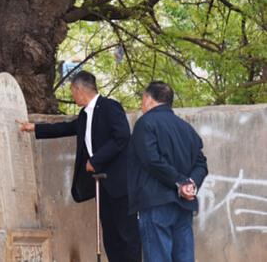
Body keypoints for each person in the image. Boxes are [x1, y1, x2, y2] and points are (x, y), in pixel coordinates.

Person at [18, 71, 141, 262]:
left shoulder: (110, 107)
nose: (72, 95)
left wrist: (95, 160)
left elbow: (122, 136)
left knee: (127, 233)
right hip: (101, 185)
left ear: (78, 89)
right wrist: (34, 128)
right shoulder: (84, 115)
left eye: (72, 91)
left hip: (120, 183)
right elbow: (65, 128)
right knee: (110, 235)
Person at [128, 81, 208, 262]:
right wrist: (190, 183)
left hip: (155, 203)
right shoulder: (186, 128)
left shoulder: (145, 123)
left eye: (142, 99)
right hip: (183, 205)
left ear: (148, 99)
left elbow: (152, 161)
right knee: (184, 258)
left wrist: (181, 183)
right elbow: (201, 163)